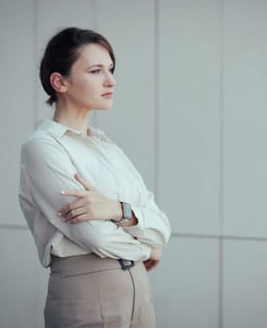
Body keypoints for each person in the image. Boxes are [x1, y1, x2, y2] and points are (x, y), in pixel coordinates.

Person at [19, 27, 171, 328]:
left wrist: (117, 209)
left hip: (139, 292)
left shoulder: (107, 147)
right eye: (95, 70)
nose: (110, 81)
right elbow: (95, 236)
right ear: (59, 81)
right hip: (88, 291)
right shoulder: (43, 147)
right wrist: (147, 248)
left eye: (111, 70)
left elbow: (161, 225)